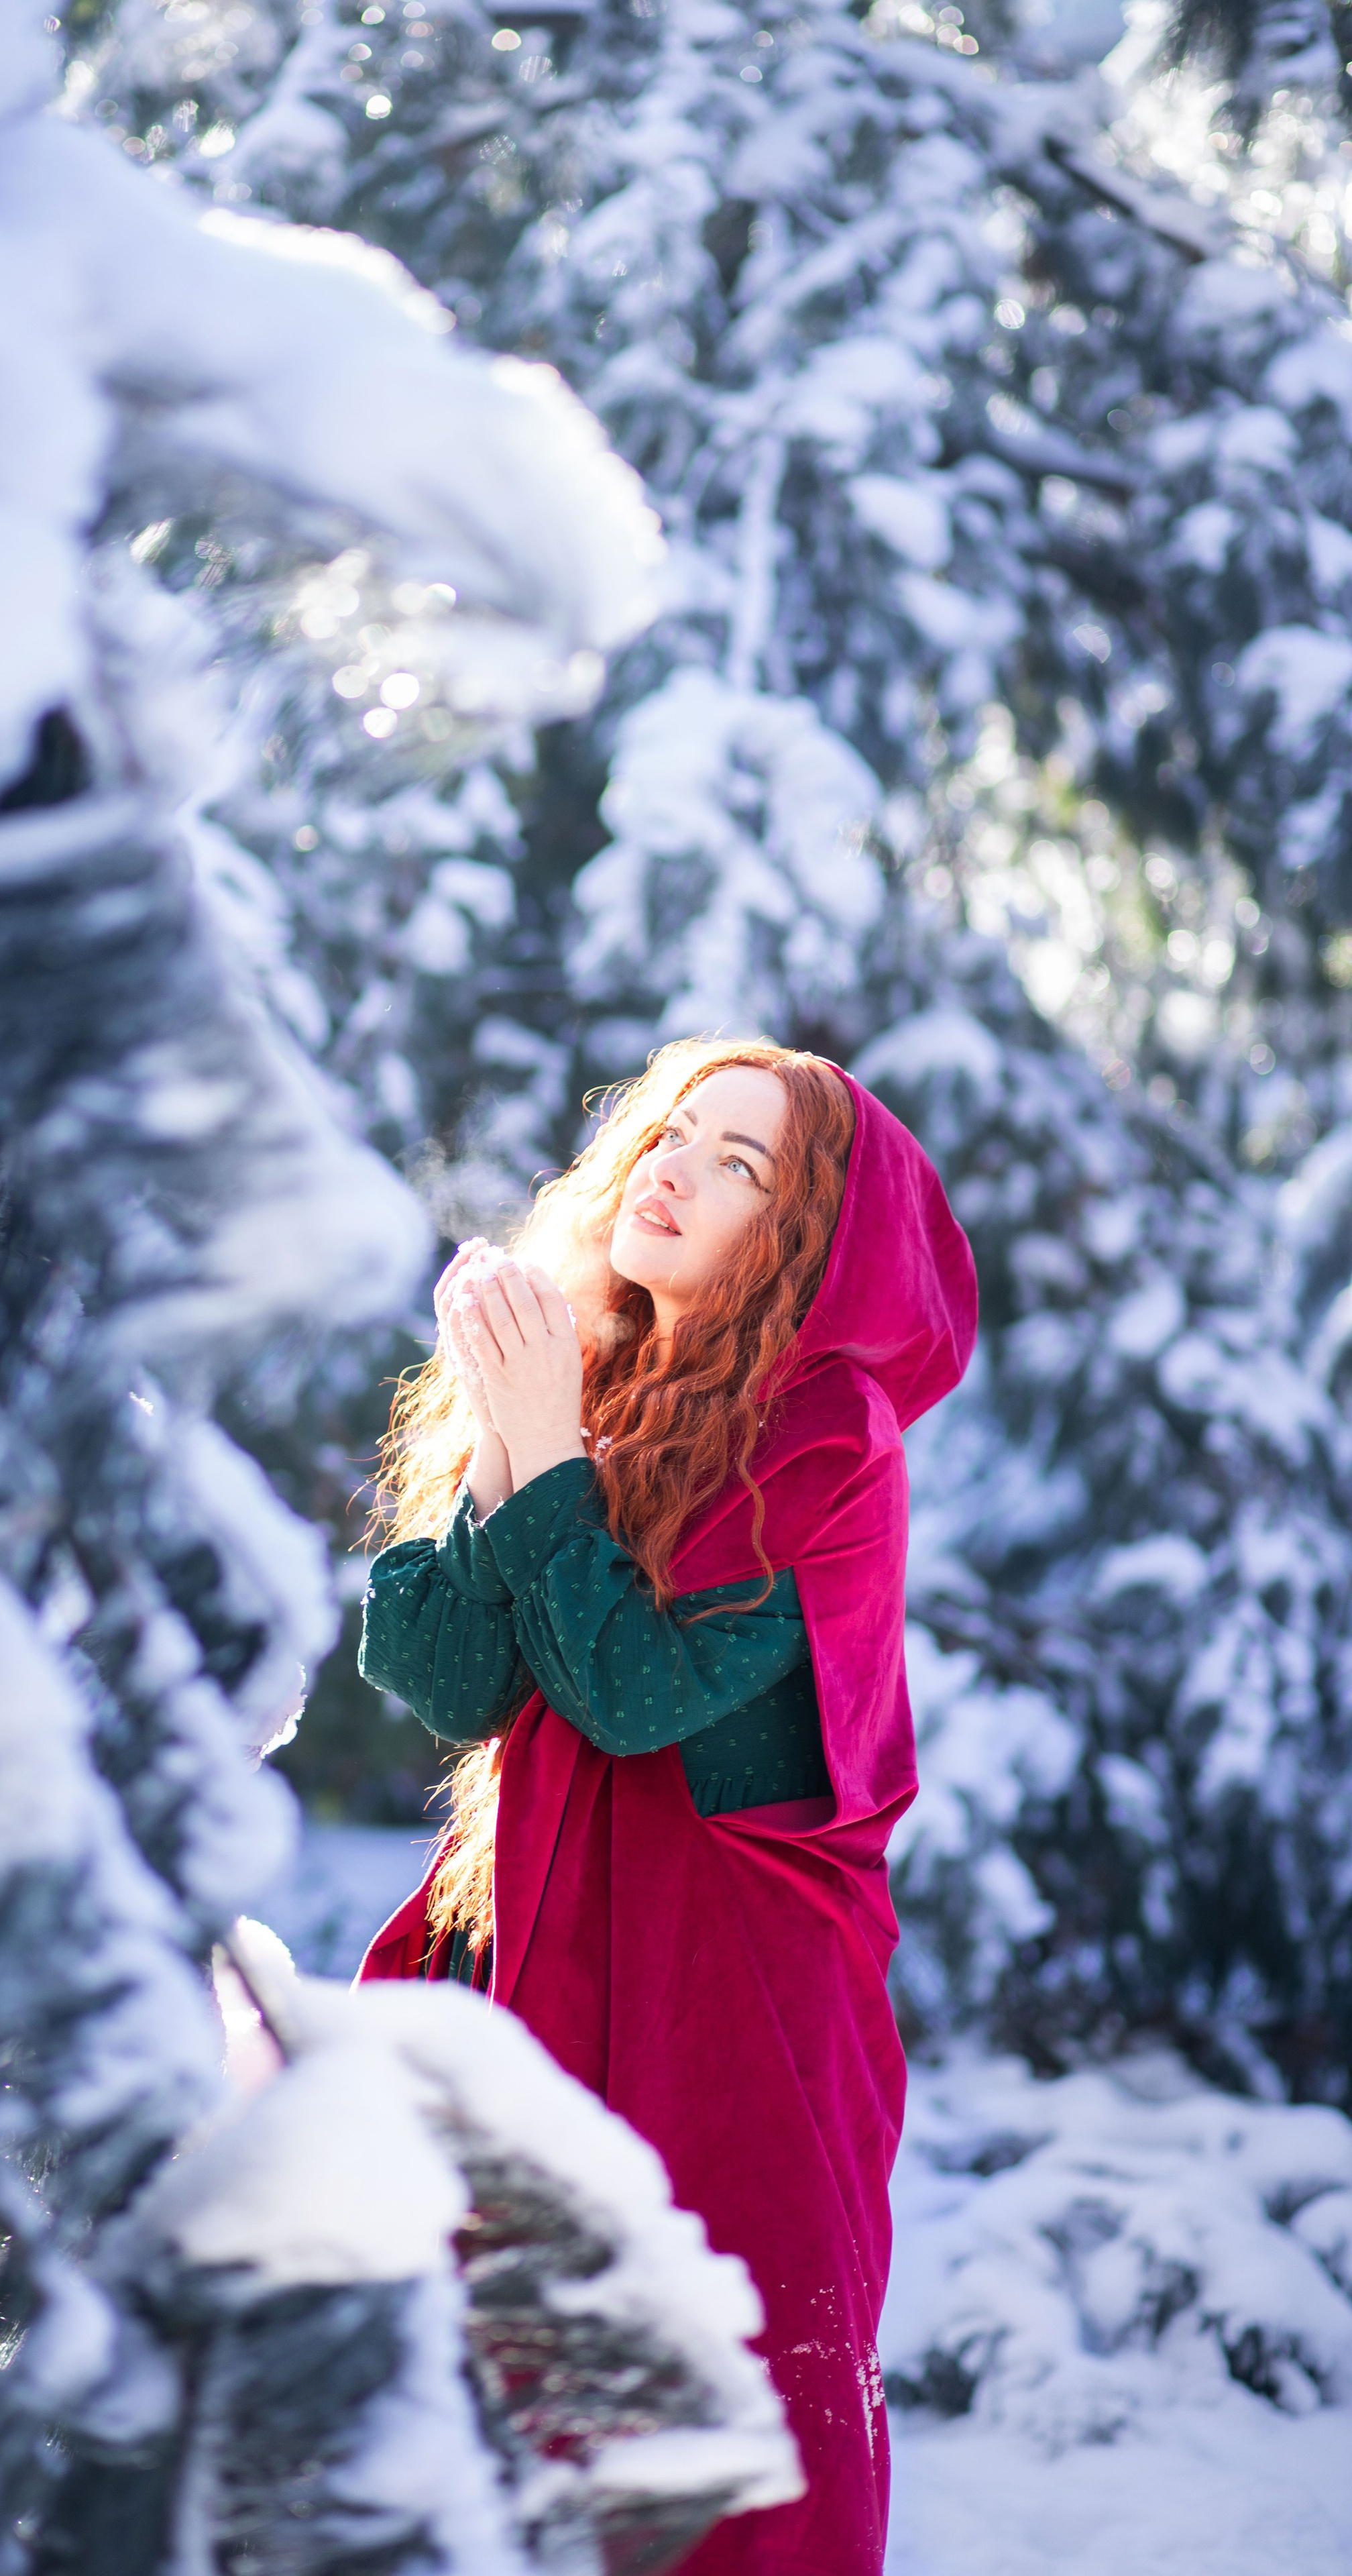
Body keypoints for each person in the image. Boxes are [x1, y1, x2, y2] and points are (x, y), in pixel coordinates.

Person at [355, 1037, 976, 2576]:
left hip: (735, 2010)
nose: (673, 1167)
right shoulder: (587, 1375)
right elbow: (445, 1677)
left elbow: (629, 1692)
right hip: (534, 1950)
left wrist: (541, 1443)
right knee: (496, 2407)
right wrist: (509, 1435)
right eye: (672, 1130)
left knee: (721, 2426)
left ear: (802, 1251)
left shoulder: (830, 1443)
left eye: (740, 1164)